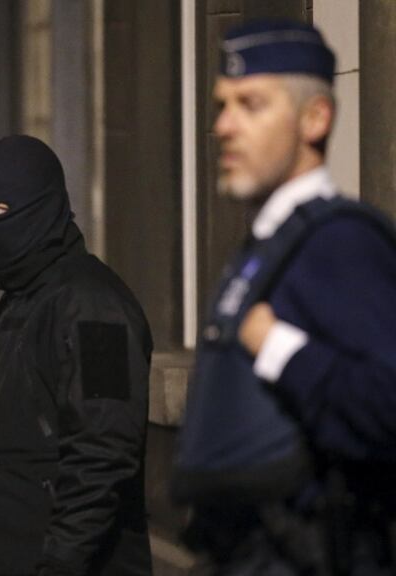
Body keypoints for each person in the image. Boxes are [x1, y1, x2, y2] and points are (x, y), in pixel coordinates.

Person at [173, 20, 396, 575]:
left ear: (314, 119)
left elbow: (387, 406)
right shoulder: (268, 244)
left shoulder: (339, 241)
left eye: (251, 105)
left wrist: (278, 348)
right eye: (222, 106)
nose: (223, 126)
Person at [0, 135, 153, 576]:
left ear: (40, 204)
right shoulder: (18, 303)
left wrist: (58, 562)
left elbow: (104, 450)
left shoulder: (93, 305)